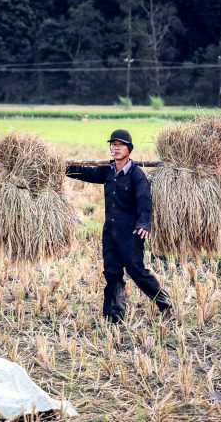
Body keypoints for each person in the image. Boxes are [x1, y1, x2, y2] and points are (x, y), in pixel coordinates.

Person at [66, 129, 172, 322]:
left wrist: (144, 223)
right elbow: (86, 173)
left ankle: (165, 304)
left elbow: (144, 201)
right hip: (110, 231)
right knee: (111, 272)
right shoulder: (108, 171)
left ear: (129, 149)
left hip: (131, 233)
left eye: (120, 145)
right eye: (113, 144)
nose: (115, 148)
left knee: (137, 271)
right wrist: (63, 168)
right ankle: (113, 316)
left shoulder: (136, 175)